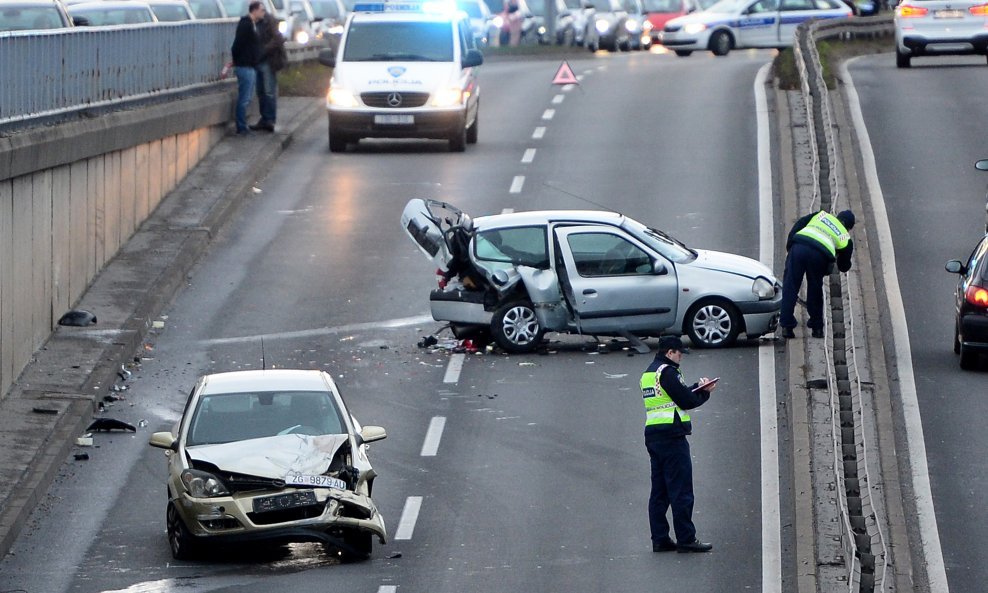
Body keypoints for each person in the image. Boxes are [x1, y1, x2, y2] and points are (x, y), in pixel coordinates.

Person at [640, 335, 716, 554]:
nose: (681, 356)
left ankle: (660, 539)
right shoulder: (668, 372)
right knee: (681, 490)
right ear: (669, 352)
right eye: (679, 352)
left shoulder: (649, 373)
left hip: (654, 435)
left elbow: (672, 395)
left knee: (660, 491)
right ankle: (686, 538)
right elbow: (686, 401)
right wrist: (705, 393)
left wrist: (696, 387)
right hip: (672, 437)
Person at [779, 209, 856, 339]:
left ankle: (787, 327)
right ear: (849, 227)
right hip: (819, 256)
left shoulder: (821, 215)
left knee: (790, 286)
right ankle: (817, 328)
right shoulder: (845, 237)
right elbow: (844, 266)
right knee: (815, 289)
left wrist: (790, 245)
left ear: (837, 217)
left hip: (799, 247)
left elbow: (800, 223)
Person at [230, 1, 266, 135]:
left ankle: (243, 125)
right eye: (262, 10)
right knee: (244, 98)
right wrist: (238, 60)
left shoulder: (253, 25)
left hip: (250, 66)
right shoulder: (245, 25)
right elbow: (236, 45)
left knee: (248, 98)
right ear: (254, 10)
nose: (263, 13)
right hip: (245, 66)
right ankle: (241, 127)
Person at [252, 12, 287, 132]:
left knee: (269, 91)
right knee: (260, 91)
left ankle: (270, 120)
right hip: (258, 60)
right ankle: (264, 118)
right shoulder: (252, 21)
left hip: (268, 61)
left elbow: (278, 39)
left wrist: (264, 50)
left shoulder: (269, 20)